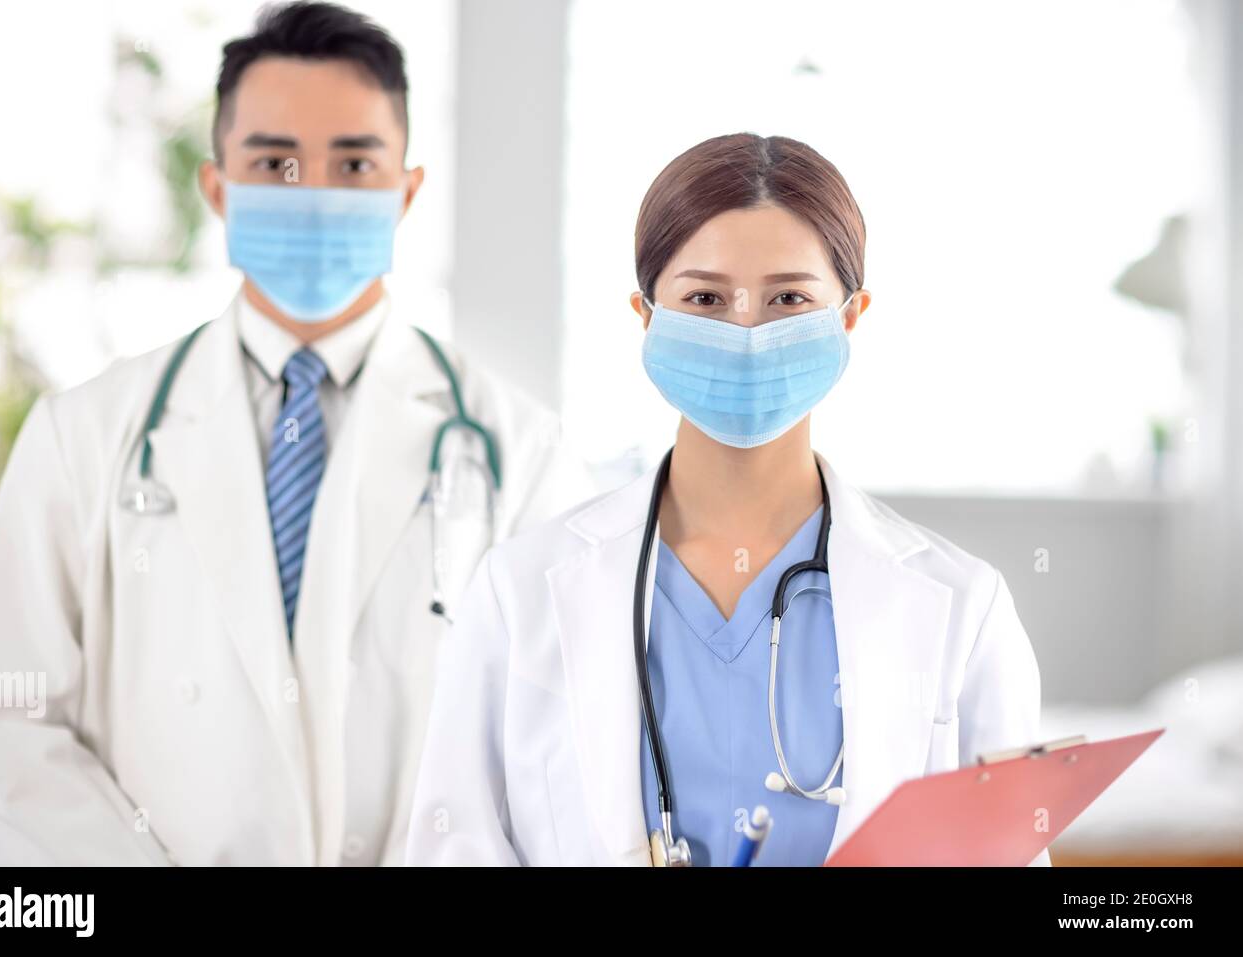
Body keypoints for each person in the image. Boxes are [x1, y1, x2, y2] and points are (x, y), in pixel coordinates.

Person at [0, 1, 590, 866]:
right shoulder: (84, 436)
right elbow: (15, 723)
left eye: (355, 161)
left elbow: (557, 744)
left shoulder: (522, 454)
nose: (314, 190)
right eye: (276, 161)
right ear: (218, 188)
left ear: (407, 190)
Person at [407, 132, 1049, 867]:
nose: (746, 329)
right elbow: (451, 847)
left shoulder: (961, 607)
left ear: (850, 316)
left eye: (788, 298)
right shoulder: (519, 594)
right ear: (645, 314)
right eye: (706, 298)